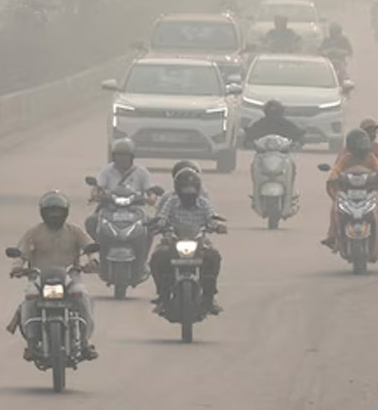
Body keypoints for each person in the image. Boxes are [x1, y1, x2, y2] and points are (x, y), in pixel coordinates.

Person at [11, 191, 98, 360]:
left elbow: (90, 247)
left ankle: (85, 342)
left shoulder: (74, 231)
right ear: (43, 213)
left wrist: (93, 261)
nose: (54, 215)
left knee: (83, 297)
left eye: (58, 211)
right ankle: (31, 341)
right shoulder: (34, 233)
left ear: (65, 212)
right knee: (29, 299)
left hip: (70, 277)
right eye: (51, 211)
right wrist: (17, 267)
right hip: (38, 278)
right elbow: (21, 253)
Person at [149, 167, 226, 314]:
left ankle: (209, 298)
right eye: (185, 190)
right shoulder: (171, 202)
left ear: (197, 189)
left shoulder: (203, 203)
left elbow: (211, 219)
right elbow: (163, 217)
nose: (188, 194)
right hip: (172, 240)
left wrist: (217, 227)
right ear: (178, 189)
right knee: (157, 257)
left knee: (213, 257)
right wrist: (159, 225)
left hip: (199, 241)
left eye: (191, 190)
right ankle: (163, 296)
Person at [86, 138, 155, 275]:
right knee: (91, 222)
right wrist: (95, 195)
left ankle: (142, 261)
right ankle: (102, 253)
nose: (122, 158)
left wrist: (151, 198)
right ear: (114, 156)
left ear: (132, 157)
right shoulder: (107, 171)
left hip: (134, 209)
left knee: (150, 227)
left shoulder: (142, 172)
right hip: (109, 208)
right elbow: (97, 187)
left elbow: (150, 191)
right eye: (119, 155)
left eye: (125, 155)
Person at [324, 129, 378, 248]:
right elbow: (337, 169)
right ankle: (332, 234)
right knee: (336, 207)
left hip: (369, 189)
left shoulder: (372, 156)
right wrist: (334, 176)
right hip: (348, 190)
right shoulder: (346, 157)